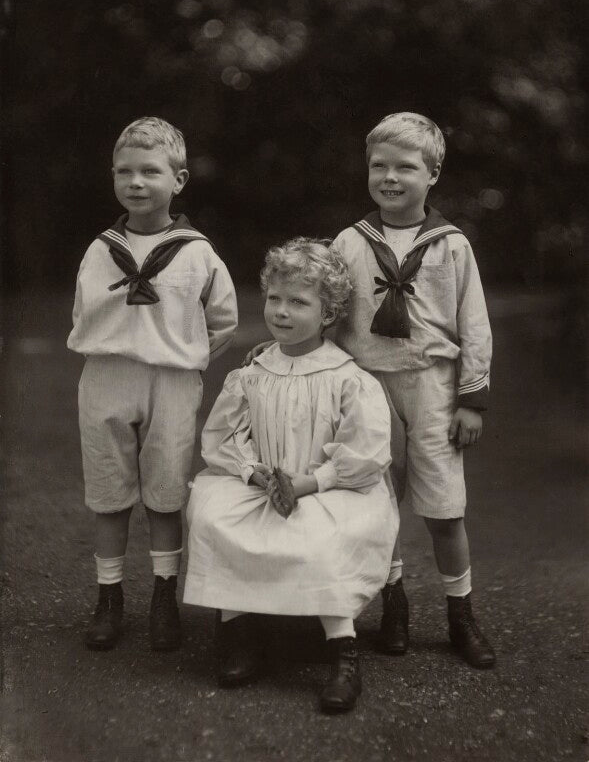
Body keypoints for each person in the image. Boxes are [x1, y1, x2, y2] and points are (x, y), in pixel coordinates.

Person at [183, 238, 398, 712]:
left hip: (328, 486)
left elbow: (367, 452)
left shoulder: (346, 377)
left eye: (298, 302)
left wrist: (311, 482)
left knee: (322, 534)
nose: (281, 311)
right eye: (274, 299)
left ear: (327, 314)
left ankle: (343, 646)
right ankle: (240, 631)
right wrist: (253, 471)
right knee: (212, 511)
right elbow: (223, 436)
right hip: (266, 482)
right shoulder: (253, 371)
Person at [331, 111, 496, 668]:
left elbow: (473, 324)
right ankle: (392, 603)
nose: (390, 177)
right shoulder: (351, 242)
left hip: (432, 383)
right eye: (379, 166)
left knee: (444, 505)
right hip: (367, 382)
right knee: (377, 499)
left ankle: (460, 614)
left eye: (406, 167)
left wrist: (471, 401)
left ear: (434, 173)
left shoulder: (451, 246)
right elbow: (327, 311)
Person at [67, 117, 238, 653]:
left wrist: (185, 360)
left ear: (179, 180)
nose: (136, 183)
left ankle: (164, 596)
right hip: (107, 377)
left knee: (166, 493)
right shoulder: (101, 249)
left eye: (150, 171)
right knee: (109, 494)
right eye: (124, 172)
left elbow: (223, 319)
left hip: (172, 381)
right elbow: (82, 311)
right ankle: (109, 596)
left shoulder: (197, 251)